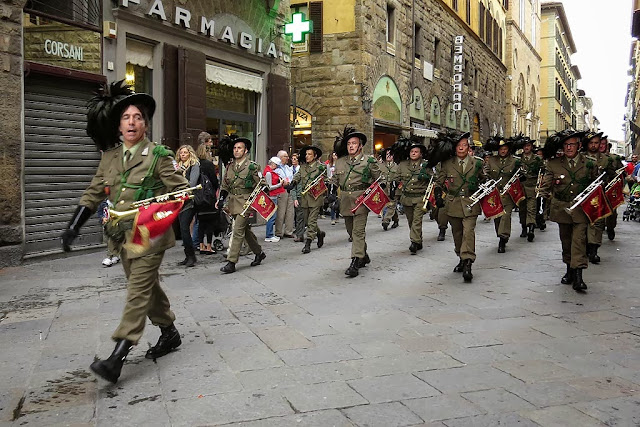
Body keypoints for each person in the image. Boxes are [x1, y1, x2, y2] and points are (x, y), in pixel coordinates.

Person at [60, 80, 189, 383]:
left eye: (138, 117)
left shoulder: (159, 155)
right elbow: (94, 193)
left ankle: (117, 357)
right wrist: (73, 226)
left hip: (150, 237)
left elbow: (181, 192)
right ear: (118, 125)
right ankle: (169, 332)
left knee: (136, 292)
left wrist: (157, 212)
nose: (132, 123)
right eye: (126, 117)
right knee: (147, 288)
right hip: (121, 237)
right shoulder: (110, 157)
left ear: (145, 123)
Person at [539, 129, 598, 293]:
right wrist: (541, 205)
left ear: (578, 146)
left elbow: (596, 185)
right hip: (561, 208)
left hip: (581, 209)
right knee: (566, 241)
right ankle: (569, 269)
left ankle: (579, 276)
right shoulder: (553, 164)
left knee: (579, 240)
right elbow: (546, 186)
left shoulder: (589, 163)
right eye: (566, 145)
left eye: (572, 144)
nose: (569, 148)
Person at [434, 131, 486, 282]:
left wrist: (483, 183)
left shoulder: (477, 162)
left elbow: (484, 177)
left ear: (468, 147)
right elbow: (439, 182)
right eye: (459, 145)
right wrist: (438, 195)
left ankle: (468, 261)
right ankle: (461, 256)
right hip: (453, 203)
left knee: (468, 231)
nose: (461, 148)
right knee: (457, 233)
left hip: (471, 202)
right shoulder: (447, 163)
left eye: (464, 145)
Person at [329, 126, 381, 277]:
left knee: (358, 232)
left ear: (360, 145)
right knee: (351, 232)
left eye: (354, 143)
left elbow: (379, 179)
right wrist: (331, 191)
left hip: (361, 200)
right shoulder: (340, 162)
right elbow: (334, 179)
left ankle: (355, 262)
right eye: (349, 143)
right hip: (345, 200)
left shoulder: (369, 161)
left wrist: (381, 189)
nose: (351, 146)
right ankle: (363, 254)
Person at [217, 136, 266, 273]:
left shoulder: (252, 166)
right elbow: (225, 185)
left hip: (246, 202)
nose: (236, 150)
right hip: (233, 202)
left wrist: (263, 191)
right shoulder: (230, 167)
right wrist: (221, 199)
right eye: (235, 148)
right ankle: (259, 252)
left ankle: (231, 262)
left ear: (245, 151)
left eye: (239, 148)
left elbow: (261, 184)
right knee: (245, 232)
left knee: (237, 230)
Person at [394, 139, 432, 254]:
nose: (414, 153)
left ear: (421, 154)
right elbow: (397, 178)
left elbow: (433, 179)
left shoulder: (426, 165)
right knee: (411, 221)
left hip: (420, 197)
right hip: (407, 197)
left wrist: (426, 177)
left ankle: (414, 242)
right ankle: (418, 240)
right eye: (412, 151)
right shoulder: (403, 164)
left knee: (417, 220)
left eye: (416, 151)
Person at [483, 135, 520, 253]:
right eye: (500, 149)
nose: (503, 151)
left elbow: (519, 174)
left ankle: (503, 238)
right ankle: (500, 234)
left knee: (506, 215)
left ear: (508, 149)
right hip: (495, 193)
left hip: (508, 193)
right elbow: (486, 171)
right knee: (497, 217)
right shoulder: (492, 160)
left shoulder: (514, 161)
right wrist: (485, 178)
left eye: (505, 149)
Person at [289, 145, 327, 254]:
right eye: (306, 154)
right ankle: (319, 234)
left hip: (315, 197)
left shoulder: (321, 167)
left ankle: (308, 243)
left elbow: (326, 180)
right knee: (307, 220)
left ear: (315, 156)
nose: (307, 156)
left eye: (309, 154)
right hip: (304, 197)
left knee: (312, 221)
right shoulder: (303, 167)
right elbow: (297, 176)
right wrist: (293, 183)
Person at [176, 145, 200, 267]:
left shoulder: (194, 165)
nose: (183, 155)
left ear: (190, 153)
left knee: (185, 228)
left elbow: (192, 183)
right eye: (181, 153)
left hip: (190, 201)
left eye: (185, 152)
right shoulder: (177, 166)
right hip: (179, 201)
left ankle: (191, 256)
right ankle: (188, 255)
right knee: (182, 228)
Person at [516, 136, 544, 242]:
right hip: (521, 187)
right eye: (525, 146)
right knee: (522, 209)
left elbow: (543, 172)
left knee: (531, 208)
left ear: (531, 147)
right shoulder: (518, 159)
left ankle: (531, 228)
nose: (526, 148)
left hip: (532, 186)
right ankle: (523, 227)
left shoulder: (537, 159)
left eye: (528, 145)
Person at [195, 143, 219, 254]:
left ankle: (201, 245)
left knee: (201, 222)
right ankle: (209, 246)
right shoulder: (208, 164)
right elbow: (214, 181)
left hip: (198, 196)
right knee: (210, 222)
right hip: (208, 196)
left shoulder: (195, 164)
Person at [602, 136, 625, 241]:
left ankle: (610, 228)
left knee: (612, 212)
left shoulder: (615, 158)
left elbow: (621, 173)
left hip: (611, 188)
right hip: (599, 188)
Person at [275, 150, 295, 238]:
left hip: (290, 189)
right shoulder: (276, 169)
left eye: (287, 156)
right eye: (285, 156)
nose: (287, 158)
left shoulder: (288, 167)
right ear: (280, 158)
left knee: (290, 212)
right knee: (281, 212)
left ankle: (288, 231)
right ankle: (278, 232)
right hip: (281, 190)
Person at [263, 156, 283, 242]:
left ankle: (270, 234)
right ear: (273, 164)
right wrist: (280, 184)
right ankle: (269, 235)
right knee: (271, 216)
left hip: (273, 196)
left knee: (272, 216)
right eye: (276, 165)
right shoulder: (269, 173)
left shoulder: (269, 172)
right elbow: (269, 187)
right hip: (271, 196)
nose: (277, 167)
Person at [379, 149, 400, 231]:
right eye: (387, 154)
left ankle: (386, 221)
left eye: (390, 154)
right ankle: (396, 220)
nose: (388, 156)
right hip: (384, 190)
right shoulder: (380, 166)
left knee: (391, 205)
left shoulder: (397, 167)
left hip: (394, 190)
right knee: (388, 206)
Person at [290, 152, 305, 242]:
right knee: (299, 217)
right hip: (299, 197)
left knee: (309, 219)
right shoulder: (297, 173)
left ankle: (316, 233)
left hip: (308, 198)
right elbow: (293, 187)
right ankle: (300, 235)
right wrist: (294, 198)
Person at [326, 152, 339, 225]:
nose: (334, 157)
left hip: (338, 184)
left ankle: (337, 216)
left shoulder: (340, 165)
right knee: (332, 200)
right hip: (331, 183)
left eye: (335, 155)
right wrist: (329, 179)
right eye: (333, 155)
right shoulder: (329, 165)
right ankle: (332, 218)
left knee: (338, 200)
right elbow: (327, 174)